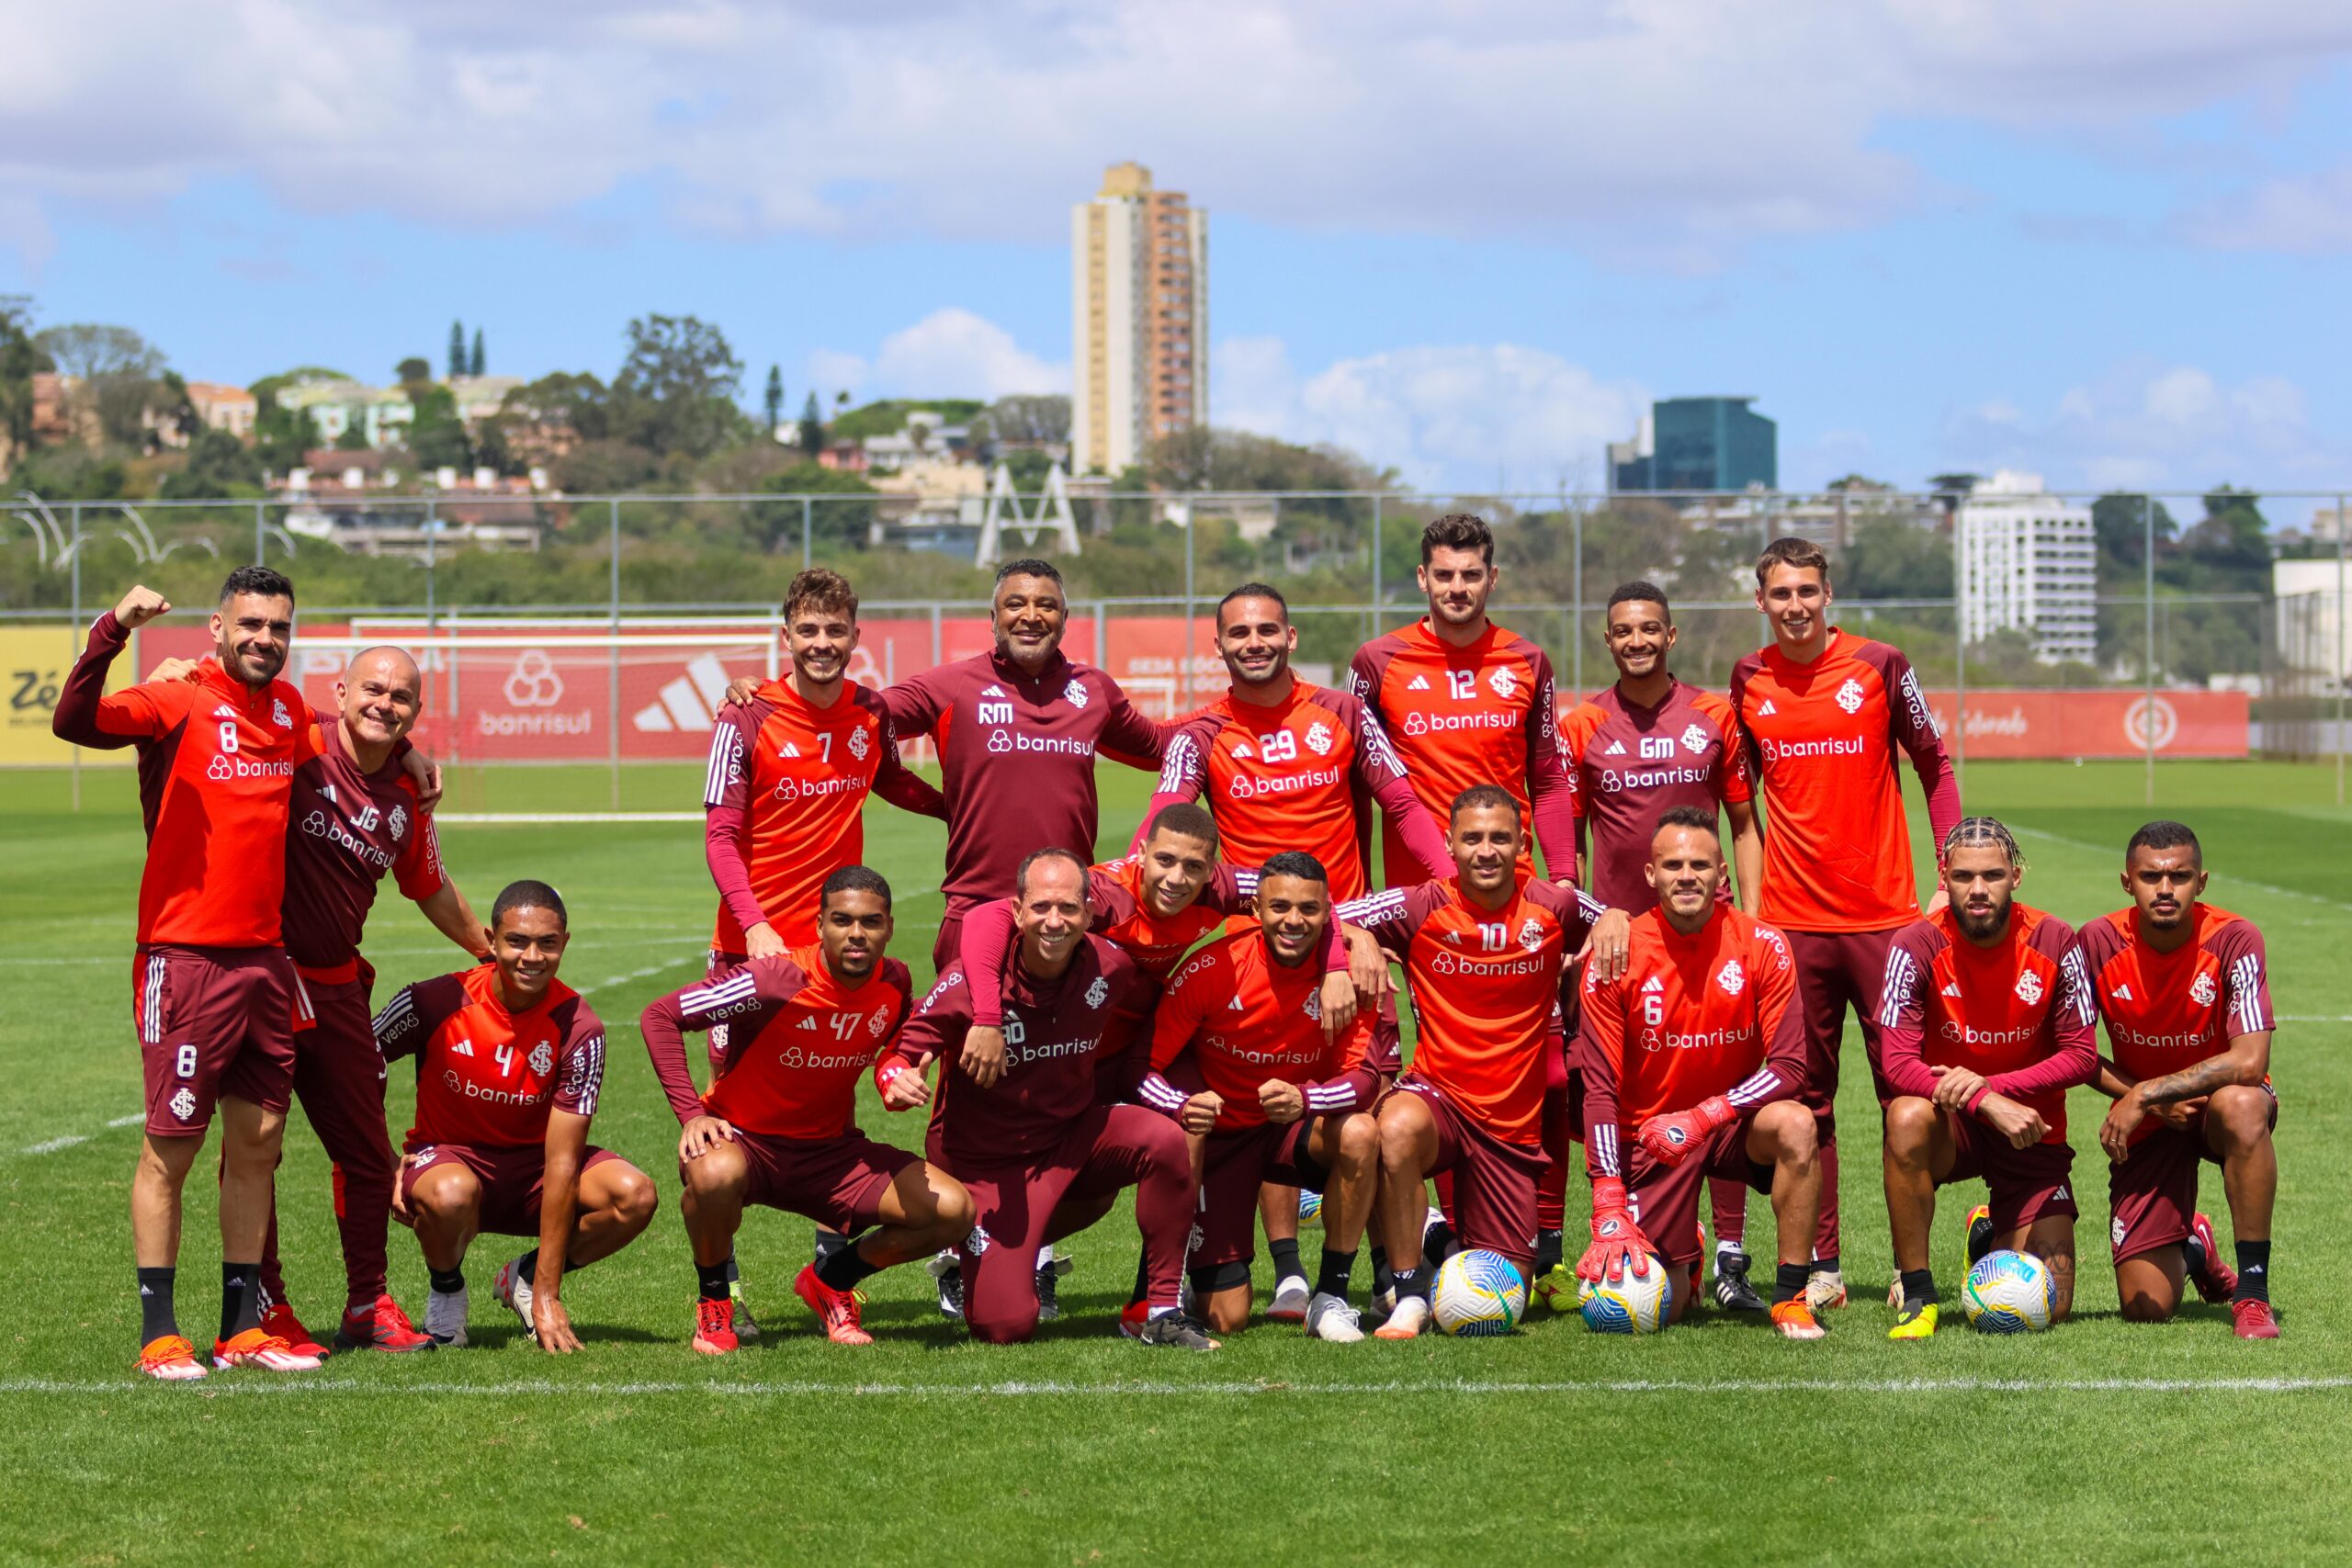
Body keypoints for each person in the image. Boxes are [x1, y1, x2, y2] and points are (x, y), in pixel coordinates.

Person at [54, 570, 330, 1379]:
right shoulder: (175, 701)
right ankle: (159, 1333)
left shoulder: (288, 712)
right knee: (170, 1147)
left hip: (263, 963)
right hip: (184, 961)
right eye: (250, 624)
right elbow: (75, 720)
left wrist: (411, 754)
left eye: (278, 626)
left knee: (259, 1142)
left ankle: (241, 1328)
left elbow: (351, 740)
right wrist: (115, 627)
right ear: (215, 626)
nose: (264, 639)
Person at [959, 801, 1373, 1324]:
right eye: (1166, 861)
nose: (1178, 879)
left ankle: (1152, 1296)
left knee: (1139, 1161)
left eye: (1194, 867)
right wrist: (988, 1018)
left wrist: (1341, 959)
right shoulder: (1105, 894)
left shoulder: (1223, 888)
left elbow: (1304, 896)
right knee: (1064, 1174)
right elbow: (986, 917)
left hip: (1135, 1044)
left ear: (1212, 868)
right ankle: (982, 1242)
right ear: (1142, 854)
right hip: (1060, 1051)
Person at [1134, 581, 1429, 1312]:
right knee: (1242, 1098)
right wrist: (1121, 892)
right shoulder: (1200, 732)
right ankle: (1199, 1274)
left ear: (1291, 637)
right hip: (1248, 955)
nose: (1255, 641)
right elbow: (1161, 822)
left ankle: (1379, 1278)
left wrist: (1450, 891)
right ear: (1220, 644)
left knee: (1362, 1115)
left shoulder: (1341, 711)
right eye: (1240, 632)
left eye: (1268, 629)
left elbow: (1401, 801)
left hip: (1345, 950)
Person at [703, 567, 947, 1327]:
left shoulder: (869, 714)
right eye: (807, 630)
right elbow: (719, 836)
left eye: (834, 631)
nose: (821, 643)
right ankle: (724, 1292)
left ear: (854, 637)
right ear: (786, 636)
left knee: (832, 1099)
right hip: (754, 953)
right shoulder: (745, 718)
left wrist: (963, 810)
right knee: (728, 1122)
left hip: (840, 951)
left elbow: (894, 783)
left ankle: (831, 1278)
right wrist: (754, 925)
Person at [1730, 536, 1961, 1310]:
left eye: (1807, 591)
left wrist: (1946, 880)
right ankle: (1823, 1265)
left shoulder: (1881, 665)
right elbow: (1742, 806)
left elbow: (1937, 764)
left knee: (1906, 1094)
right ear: (1760, 601)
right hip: (1794, 927)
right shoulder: (1748, 679)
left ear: (1829, 593)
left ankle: (1910, 1267)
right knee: (1807, 1100)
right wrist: (1755, 911)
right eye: (1780, 594)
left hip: (1889, 920)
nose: (1794, 605)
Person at [875, 849, 1214, 1349]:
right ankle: (974, 1238)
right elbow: (900, 1053)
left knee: (1165, 1138)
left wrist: (1177, 1091)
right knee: (1004, 1326)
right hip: (989, 1166)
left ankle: (1159, 1309)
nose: (1054, 922)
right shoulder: (969, 984)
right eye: (1040, 908)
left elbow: (1151, 1023)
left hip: (1069, 1140)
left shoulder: (1112, 968)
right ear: (1016, 913)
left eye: (1068, 908)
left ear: (1089, 913)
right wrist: (896, 1081)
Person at [640, 867, 975, 1350]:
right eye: (842, 921)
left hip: (831, 1156)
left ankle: (831, 1280)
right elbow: (661, 1015)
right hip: (745, 1145)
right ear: (820, 926)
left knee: (953, 1211)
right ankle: (714, 1301)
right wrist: (693, 1114)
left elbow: (894, 1045)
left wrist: (892, 1077)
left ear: (890, 927)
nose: (856, 934)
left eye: (871, 922)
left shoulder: (894, 980)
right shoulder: (776, 978)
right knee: (712, 1176)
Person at [1336, 787, 1628, 1338]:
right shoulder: (1420, 904)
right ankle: (1409, 1293)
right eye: (1472, 838)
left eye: (1499, 838)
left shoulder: (1555, 905)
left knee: (1504, 1295)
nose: (1486, 850)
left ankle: (1435, 1239)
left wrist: (1614, 916)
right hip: (1439, 1099)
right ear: (1449, 843)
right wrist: (1356, 941)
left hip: (1511, 1132)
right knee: (1394, 1126)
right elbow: (1324, 915)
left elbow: (1624, 923)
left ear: (1522, 844)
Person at [266, 646, 486, 1357]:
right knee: (252, 1150)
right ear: (339, 691)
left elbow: (430, 887)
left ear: (416, 714)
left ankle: (367, 1303)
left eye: (401, 698)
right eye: (372, 689)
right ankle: (263, 1304)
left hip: (336, 989)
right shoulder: (298, 735)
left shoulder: (405, 794)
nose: (384, 703)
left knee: (367, 1156)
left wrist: (489, 952)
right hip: (266, 978)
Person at [1560, 581, 1767, 1311]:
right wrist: (1585, 926)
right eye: (1624, 630)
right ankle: (1635, 1218)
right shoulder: (1583, 724)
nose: (1638, 640)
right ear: (1608, 640)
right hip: (1617, 944)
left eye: (1650, 628)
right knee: (1612, 1089)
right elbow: (1571, 839)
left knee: (1723, 1074)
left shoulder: (1714, 715)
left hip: (1709, 937)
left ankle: (1734, 1256)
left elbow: (1743, 824)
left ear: (1670, 636)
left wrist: (1756, 918)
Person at [1573, 808, 1824, 1338]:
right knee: (1666, 1305)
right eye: (1673, 865)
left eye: (1700, 865)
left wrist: (1707, 1114)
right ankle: (1687, 1251)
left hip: (1729, 1126)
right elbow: (1599, 1087)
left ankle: (1792, 1297)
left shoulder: (1763, 945)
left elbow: (1791, 1067)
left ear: (1722, 874)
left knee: (1797, 1124)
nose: (1687, 875)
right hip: (1652, 1136)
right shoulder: (1616, 955)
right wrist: (1607, 1198)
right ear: (1650, 875)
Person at [378, 882, 656, 1352]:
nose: (532, 956)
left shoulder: (580, 1027)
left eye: (547, 943)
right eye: (517, 941)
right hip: (449, 1164)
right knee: (449, 1194)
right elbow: (356, 1064)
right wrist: (384, 1161)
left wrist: (547, 1292)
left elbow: (563, 1163)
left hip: (535, 1172)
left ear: (564, 943)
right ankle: (447, 1288)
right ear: (490, 941)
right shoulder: (434, 1000)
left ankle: (524, 1278)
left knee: (635, 1195)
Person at [871, 557, 1166, 975]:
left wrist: (1233, 714)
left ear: (1064, 619)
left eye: (1045, 605)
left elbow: (1159, 745)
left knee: (1068, 1042)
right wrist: (764, 696)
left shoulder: (1093, 689)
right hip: (975, 910)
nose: (1030, 616)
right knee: (972, 1037)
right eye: (1015, 604)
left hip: (1065, 913)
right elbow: (859, 717)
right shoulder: (952, 686)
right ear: (994, 617)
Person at [1138, 852, 1383, 1342]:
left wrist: (1306, 1101)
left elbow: (1367, 1079)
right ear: (1255, 908)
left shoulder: (1352, 975)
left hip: (1290, 1131)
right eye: (1280, 907)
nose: (1294, 921)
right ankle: (1173, 1278)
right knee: (1227, 1318)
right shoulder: (1212, 967)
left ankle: (1331, 1297)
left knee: (1360, 1131)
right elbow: (1143, 1068)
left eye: (1309, 910)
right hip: (1224, 1141)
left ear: (1329, 910)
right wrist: (1181, 1106)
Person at [1876, 818, 2094, 1339]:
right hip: (1954, 1125)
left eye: (1992, 875)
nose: (1978, 890)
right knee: (1904, 1115)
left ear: (2016, 876)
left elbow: (2082, 1055)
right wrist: (1982, 1102)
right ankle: (1920, 1293)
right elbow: (1896, 1063)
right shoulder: (1915, 945)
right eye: (1964, 876)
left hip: (2031, 1129)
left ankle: (1989, 1233)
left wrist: (1991, 1088)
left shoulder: (2055, 939)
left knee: (2049, 1303)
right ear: (1943, 875)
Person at [2078, 820, 2278, 1338]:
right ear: (2128, 882)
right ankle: (2194, 1248)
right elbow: (2075, 1051)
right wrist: (2144, 1102)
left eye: (2180, 877)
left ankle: (2253, 1296)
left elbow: (2251, 1061)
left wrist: (2148, 1091)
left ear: (2201, 881)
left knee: (2243, 1104)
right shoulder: (2096, 942)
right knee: (2146, 1306)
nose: (2165, 889)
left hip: (2213, 1109)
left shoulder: (2235, 938)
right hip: (2149, 1118)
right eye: (2150, 877)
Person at [1347, 513, 1579, 887]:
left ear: (1493, 578)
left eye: (1471, 574)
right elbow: (1356, 790)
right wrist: (1362, 895)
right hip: (1421, 894)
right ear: (1423, 578)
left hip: (1513, 888)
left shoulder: (1528, 661)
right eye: (1444, 575)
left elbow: (1548, 779)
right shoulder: (1375, 662)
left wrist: (1565, 878)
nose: (1457, 587)